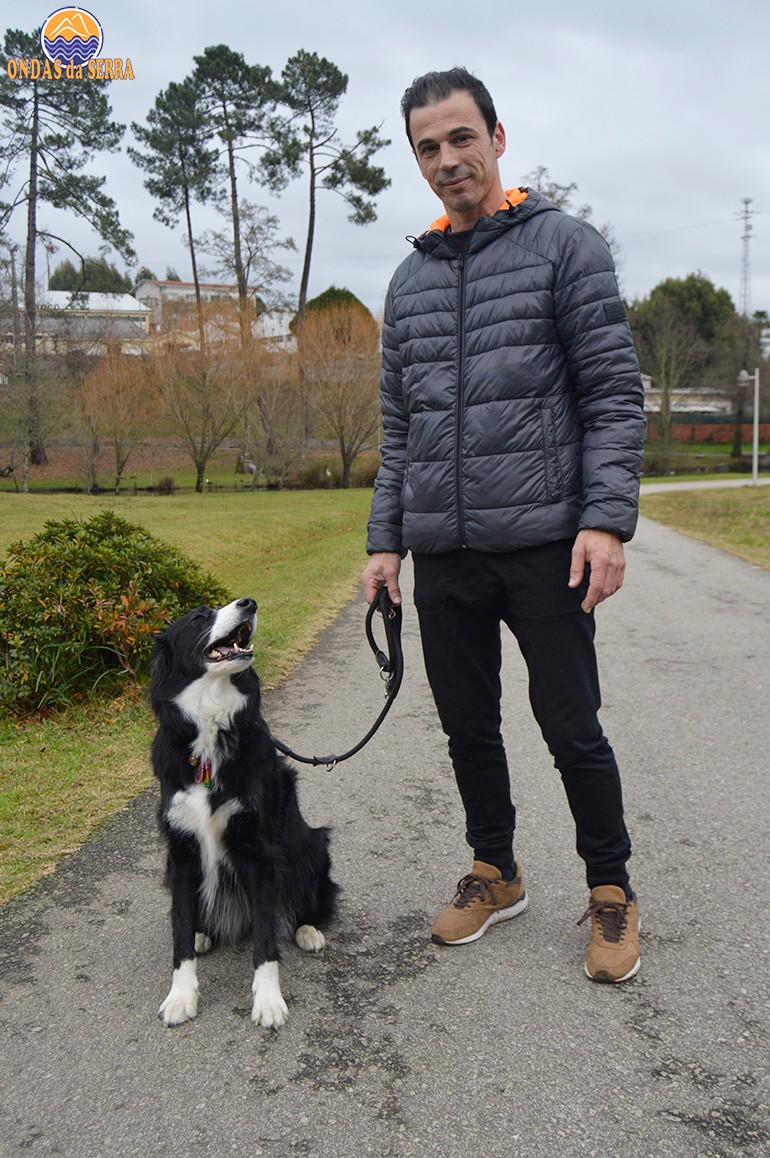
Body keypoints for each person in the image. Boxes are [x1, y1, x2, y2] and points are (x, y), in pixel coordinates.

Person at [362, 68, 646, 984]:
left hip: (544, 544)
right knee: (467, 727)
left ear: (496, 137)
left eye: (461, 137)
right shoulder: (408, 281)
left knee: (571, 726)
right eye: (428, 147)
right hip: (445, 552)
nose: (448, 159)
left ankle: (610, 889)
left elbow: (612, 396)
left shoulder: (565, 246)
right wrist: (384, 541)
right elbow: (399, 431)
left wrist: (606, 522)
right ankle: (497, 870)